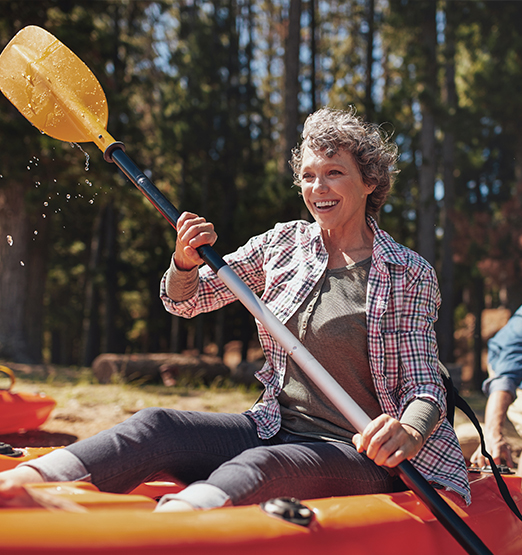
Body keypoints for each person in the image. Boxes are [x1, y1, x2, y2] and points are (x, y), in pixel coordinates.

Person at [0, 106, 470, 510]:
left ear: (369, 182)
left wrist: (408, 433)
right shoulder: (282, 244)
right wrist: (183, 263)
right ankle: (25, 485)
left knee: (265, 466)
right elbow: (189, 301)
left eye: (333, 173)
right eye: (308, 175)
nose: (317, 187)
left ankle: (173, 527)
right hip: (271, 426)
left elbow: (424, 384)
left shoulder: (407, 271)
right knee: (157, 425)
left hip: (359, 454)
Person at [471, 306, 522, 475]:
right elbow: (505, 379)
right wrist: (493, 434)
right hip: (510, 373)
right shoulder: (519, 329)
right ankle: (480, 437)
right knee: (490, 438)